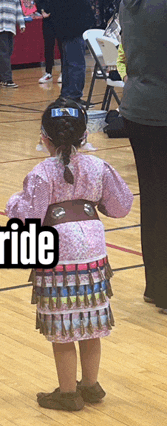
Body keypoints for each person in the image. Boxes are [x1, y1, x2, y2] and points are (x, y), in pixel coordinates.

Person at [6, 99, 133, 411]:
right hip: (93, 254)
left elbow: (30, 220)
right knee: (90, 320)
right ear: (85, 135)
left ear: (44, 138)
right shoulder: (98, 167)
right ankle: (90, 385)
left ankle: (67, 393)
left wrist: (13, 204)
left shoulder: (41, 173)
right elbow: (121, 206)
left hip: (57, 255)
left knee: (63, 327)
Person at [119, 0, 167, 313]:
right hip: (162, 108)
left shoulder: (129, 3)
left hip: (137, 105)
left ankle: (157, 287)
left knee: (153, 200)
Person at [45, 0, 95, 106]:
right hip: (74, 27)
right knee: (75, 64)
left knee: (68, 64)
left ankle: (66, 94)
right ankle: (73, 96)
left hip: (63, 28)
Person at [35, 0, 63, 84]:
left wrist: (53, 11)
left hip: (60, 19)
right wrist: (42, 11)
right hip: (47, 21)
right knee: (48, 46)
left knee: (62, 46)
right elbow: (39, 2)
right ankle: (48, 73)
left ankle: (63, 72)